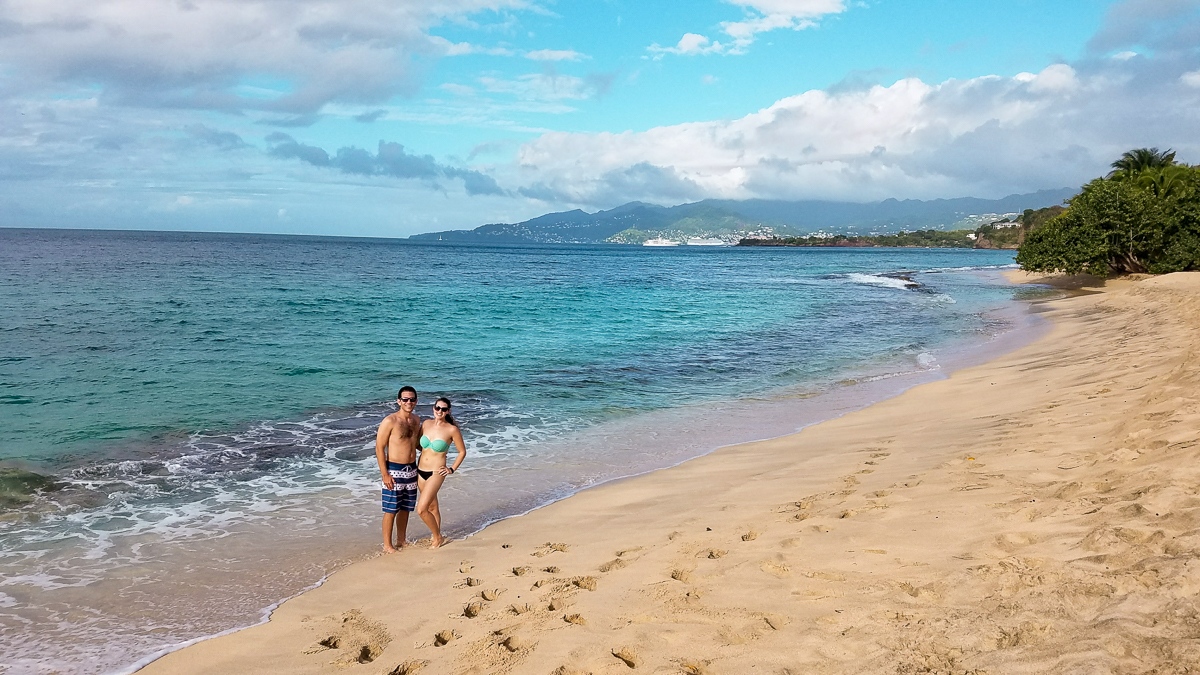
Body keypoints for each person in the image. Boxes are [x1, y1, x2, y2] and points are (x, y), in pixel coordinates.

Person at [415, 397, 466, 549]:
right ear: (433, 408)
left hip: (437, 472)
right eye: (438, 408)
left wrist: (451, 469)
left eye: (444, 409)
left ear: (448, 411)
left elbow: (462, 452)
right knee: (432, 507)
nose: (440, 411)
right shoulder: (426, 424)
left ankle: (438, 538)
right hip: (420, 470)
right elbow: (419, 445)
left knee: (421, 509)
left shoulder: (452, 430)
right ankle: (435, 534)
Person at [375, 386, 420, 553]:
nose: (409, 402)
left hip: (412, 470)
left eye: (412, 399)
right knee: (391, 509)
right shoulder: (390, 421)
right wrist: (384, 474)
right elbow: (379, 447)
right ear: (399, 401)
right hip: (394, 469)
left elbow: (415, 444)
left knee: (406, 508)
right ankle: (387, 545)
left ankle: (401, 540)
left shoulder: (416, 419)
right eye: (405, 399)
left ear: (416, 401)